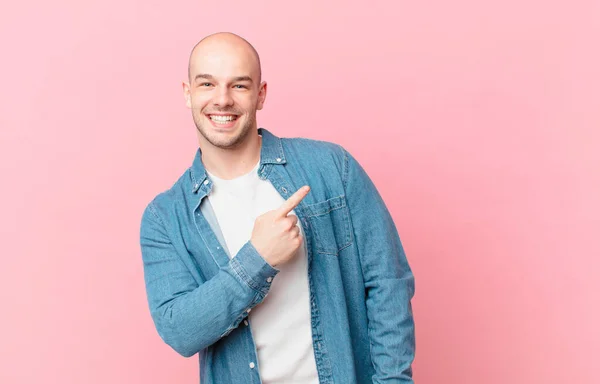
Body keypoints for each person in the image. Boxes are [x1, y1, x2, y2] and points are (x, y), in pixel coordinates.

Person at [140, 32, 416, 384]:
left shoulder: (332, 168)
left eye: (239, 86)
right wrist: (258, 259)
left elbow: (388, 284)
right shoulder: (165, 218)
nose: (222, 100)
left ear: (261, 94)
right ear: (187, 93)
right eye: (207, 83)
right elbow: (180, 331)